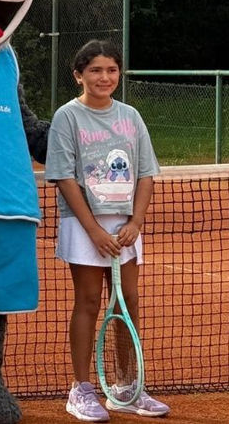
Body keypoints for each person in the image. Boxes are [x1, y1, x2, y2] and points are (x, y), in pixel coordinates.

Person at [45, 40, 169, 421]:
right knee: (88, 301)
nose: (104, 77)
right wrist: (94, 230)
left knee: (127, 301)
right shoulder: (67, 117)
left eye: (111, 70)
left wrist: (135, 222)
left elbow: (146, 173)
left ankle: (125, 387)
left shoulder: (130, 116)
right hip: (83, 224)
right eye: (95, 70)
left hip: (125, 225)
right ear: (78, 75)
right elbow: (64, 177)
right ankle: (81, 389)